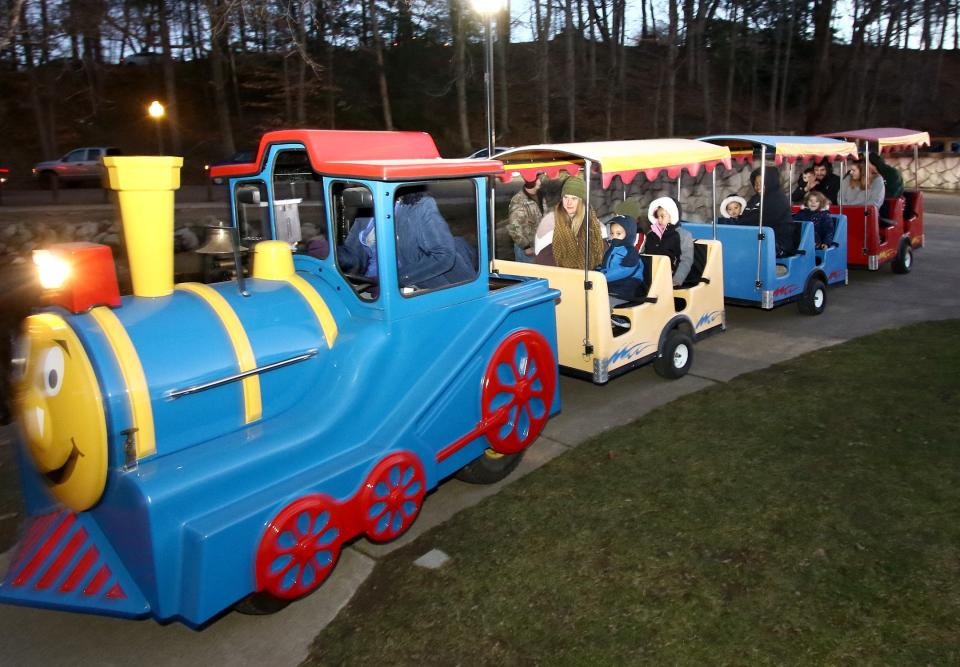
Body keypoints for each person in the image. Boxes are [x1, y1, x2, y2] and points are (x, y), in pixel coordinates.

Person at [394, 189, 476, 289]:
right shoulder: (375, 211)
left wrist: (396, 279)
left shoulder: (421, 206)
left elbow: (444, 254)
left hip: (438, 289)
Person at [535, 176, 605, 270]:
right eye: (565, 197)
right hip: (559, 278)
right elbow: (543, 259)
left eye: (574, 198)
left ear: (582, 201)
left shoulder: (595, 224)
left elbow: (603, 254)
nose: (569, 203)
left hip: (590, 278)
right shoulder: (550, 222)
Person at [734, 166, 799, 257]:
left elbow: (759, 219)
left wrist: (738, 223)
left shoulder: (778, 199)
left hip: (778, 244)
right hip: (759, 238)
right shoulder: (755, 199)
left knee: (741, 248)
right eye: (756, 183)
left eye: (761, 183)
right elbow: (746, 216)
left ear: (770, 182)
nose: (757, 187)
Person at [641, 196, 695, 287]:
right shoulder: (651, 234)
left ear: (672, 215)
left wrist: (676, 280)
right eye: (657, 217)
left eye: (662, 216)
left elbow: (686, 260)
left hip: (671, 277)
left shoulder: (683, 235)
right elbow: (643, 254)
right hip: (651, 276)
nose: (659, 220)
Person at [598, 214, 645, 298]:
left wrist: (603, 277)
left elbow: (626, 270)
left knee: (609, 293)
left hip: (630, 282)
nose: (614, 237)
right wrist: (597, 273)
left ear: (628, 234)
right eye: (612, 233)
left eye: (618, 233)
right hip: (613, 281)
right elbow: (605, 266)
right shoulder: (611, 249)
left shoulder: (630, 251)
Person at [506, 177, 544, 263]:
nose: (541, 179)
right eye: (539, 177)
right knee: (528, 275)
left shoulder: (540, 195)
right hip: (527, 252)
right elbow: (514, 227)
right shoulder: (518, 200)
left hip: (539, 247)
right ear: (532, 180)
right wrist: (526, 247)